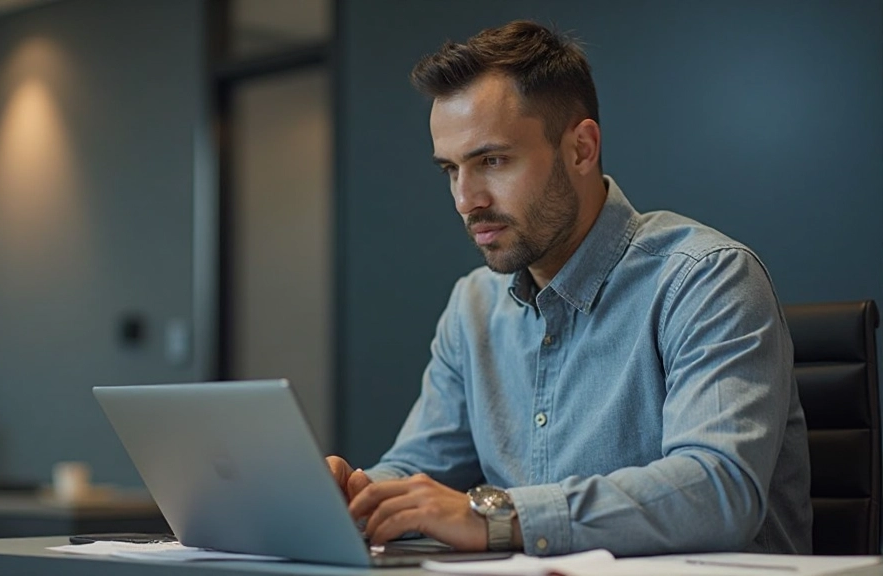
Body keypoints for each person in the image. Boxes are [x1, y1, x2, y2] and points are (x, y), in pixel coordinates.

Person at [326, 20, 812, 557]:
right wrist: (354, 497)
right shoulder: (473, 306)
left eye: (492, 161)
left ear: (581, 148)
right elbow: (421, 470)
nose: (466, 200)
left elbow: (719, 491)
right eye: (450, 170)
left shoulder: (706, 279)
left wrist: (497, 517)